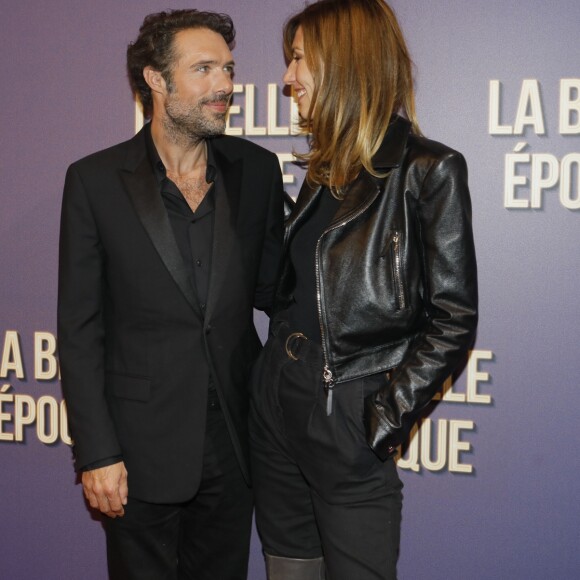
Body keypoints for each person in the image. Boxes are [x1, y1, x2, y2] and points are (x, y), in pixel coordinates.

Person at [249, 1, 478, 579]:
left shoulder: (428, 170)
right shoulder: (325, 171)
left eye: (299, 58)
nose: (287, 78)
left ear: (345, 62)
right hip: (279, 395)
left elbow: (453, 317)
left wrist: (382, 417)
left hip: (346, 408)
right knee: (289, 569)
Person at [58, 9, 283, 580]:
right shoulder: (94, 182)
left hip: (234, 446)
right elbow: (80, 333)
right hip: (137, 450)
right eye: (204, 69)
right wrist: (98, 453)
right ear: (157, 81)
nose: (225, 85)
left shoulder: (256, 170)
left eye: (228, 69)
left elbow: (279, 293)